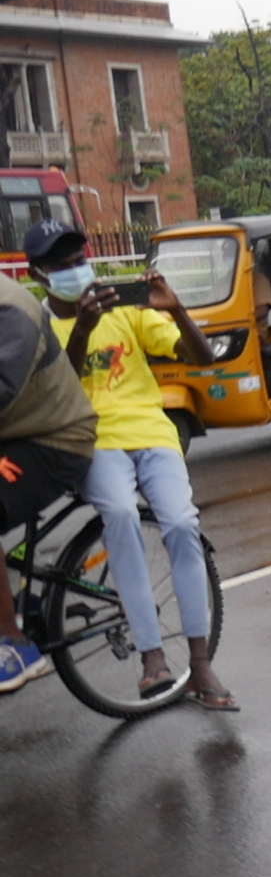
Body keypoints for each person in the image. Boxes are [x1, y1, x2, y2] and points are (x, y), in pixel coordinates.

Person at [27, 222, 234, 709]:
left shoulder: (124, 310)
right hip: (89, 440)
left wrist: (176, 310)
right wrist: (82, 327)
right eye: (63, 266)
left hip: (151, 435)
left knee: (182, 524)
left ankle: (200, 663)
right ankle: (152, 657)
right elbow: (58, 389)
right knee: (119, 514)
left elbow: (202, 356)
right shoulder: (36, 326)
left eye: (80, 260)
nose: (76, 271)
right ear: (39, 275)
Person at [0, 273, 96, 693]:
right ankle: (21, 604)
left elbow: (2, 390)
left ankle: (14, 645)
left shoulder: (10, 308)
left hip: (54, 439)